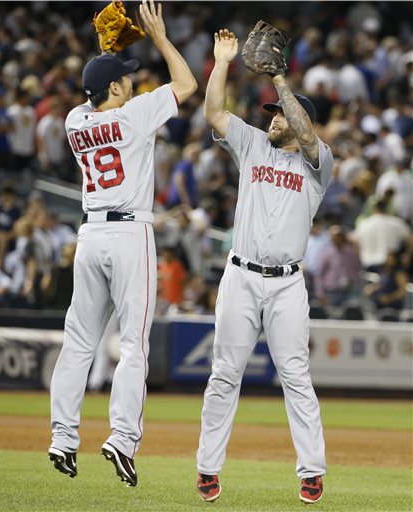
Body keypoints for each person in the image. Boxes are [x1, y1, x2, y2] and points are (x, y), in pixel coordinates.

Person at [48, 0, 197, 486]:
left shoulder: (74, 121)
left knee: (78, 342)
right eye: (126, 77)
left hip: (89, 234)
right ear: (115, 88)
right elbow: (187, 84)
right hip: (130, 232)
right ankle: (122, 438)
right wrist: (157, 37)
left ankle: (63, 437)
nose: (134, 80)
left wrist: (103, 60)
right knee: (132, 343)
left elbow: (94, 98)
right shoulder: (135, 115)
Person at [196, 29, 334, 504]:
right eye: (272, 116)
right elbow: (214, 112)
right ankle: (208, 468)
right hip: (240, 275)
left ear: (299, 121)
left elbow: (310, 137)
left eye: (279, 116)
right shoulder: (253, 145)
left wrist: (279, 79)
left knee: (296, 376)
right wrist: (221, 63)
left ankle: (311, 471)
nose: (273, 121)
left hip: (287, 284)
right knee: (224, 373)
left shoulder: (319, 165)